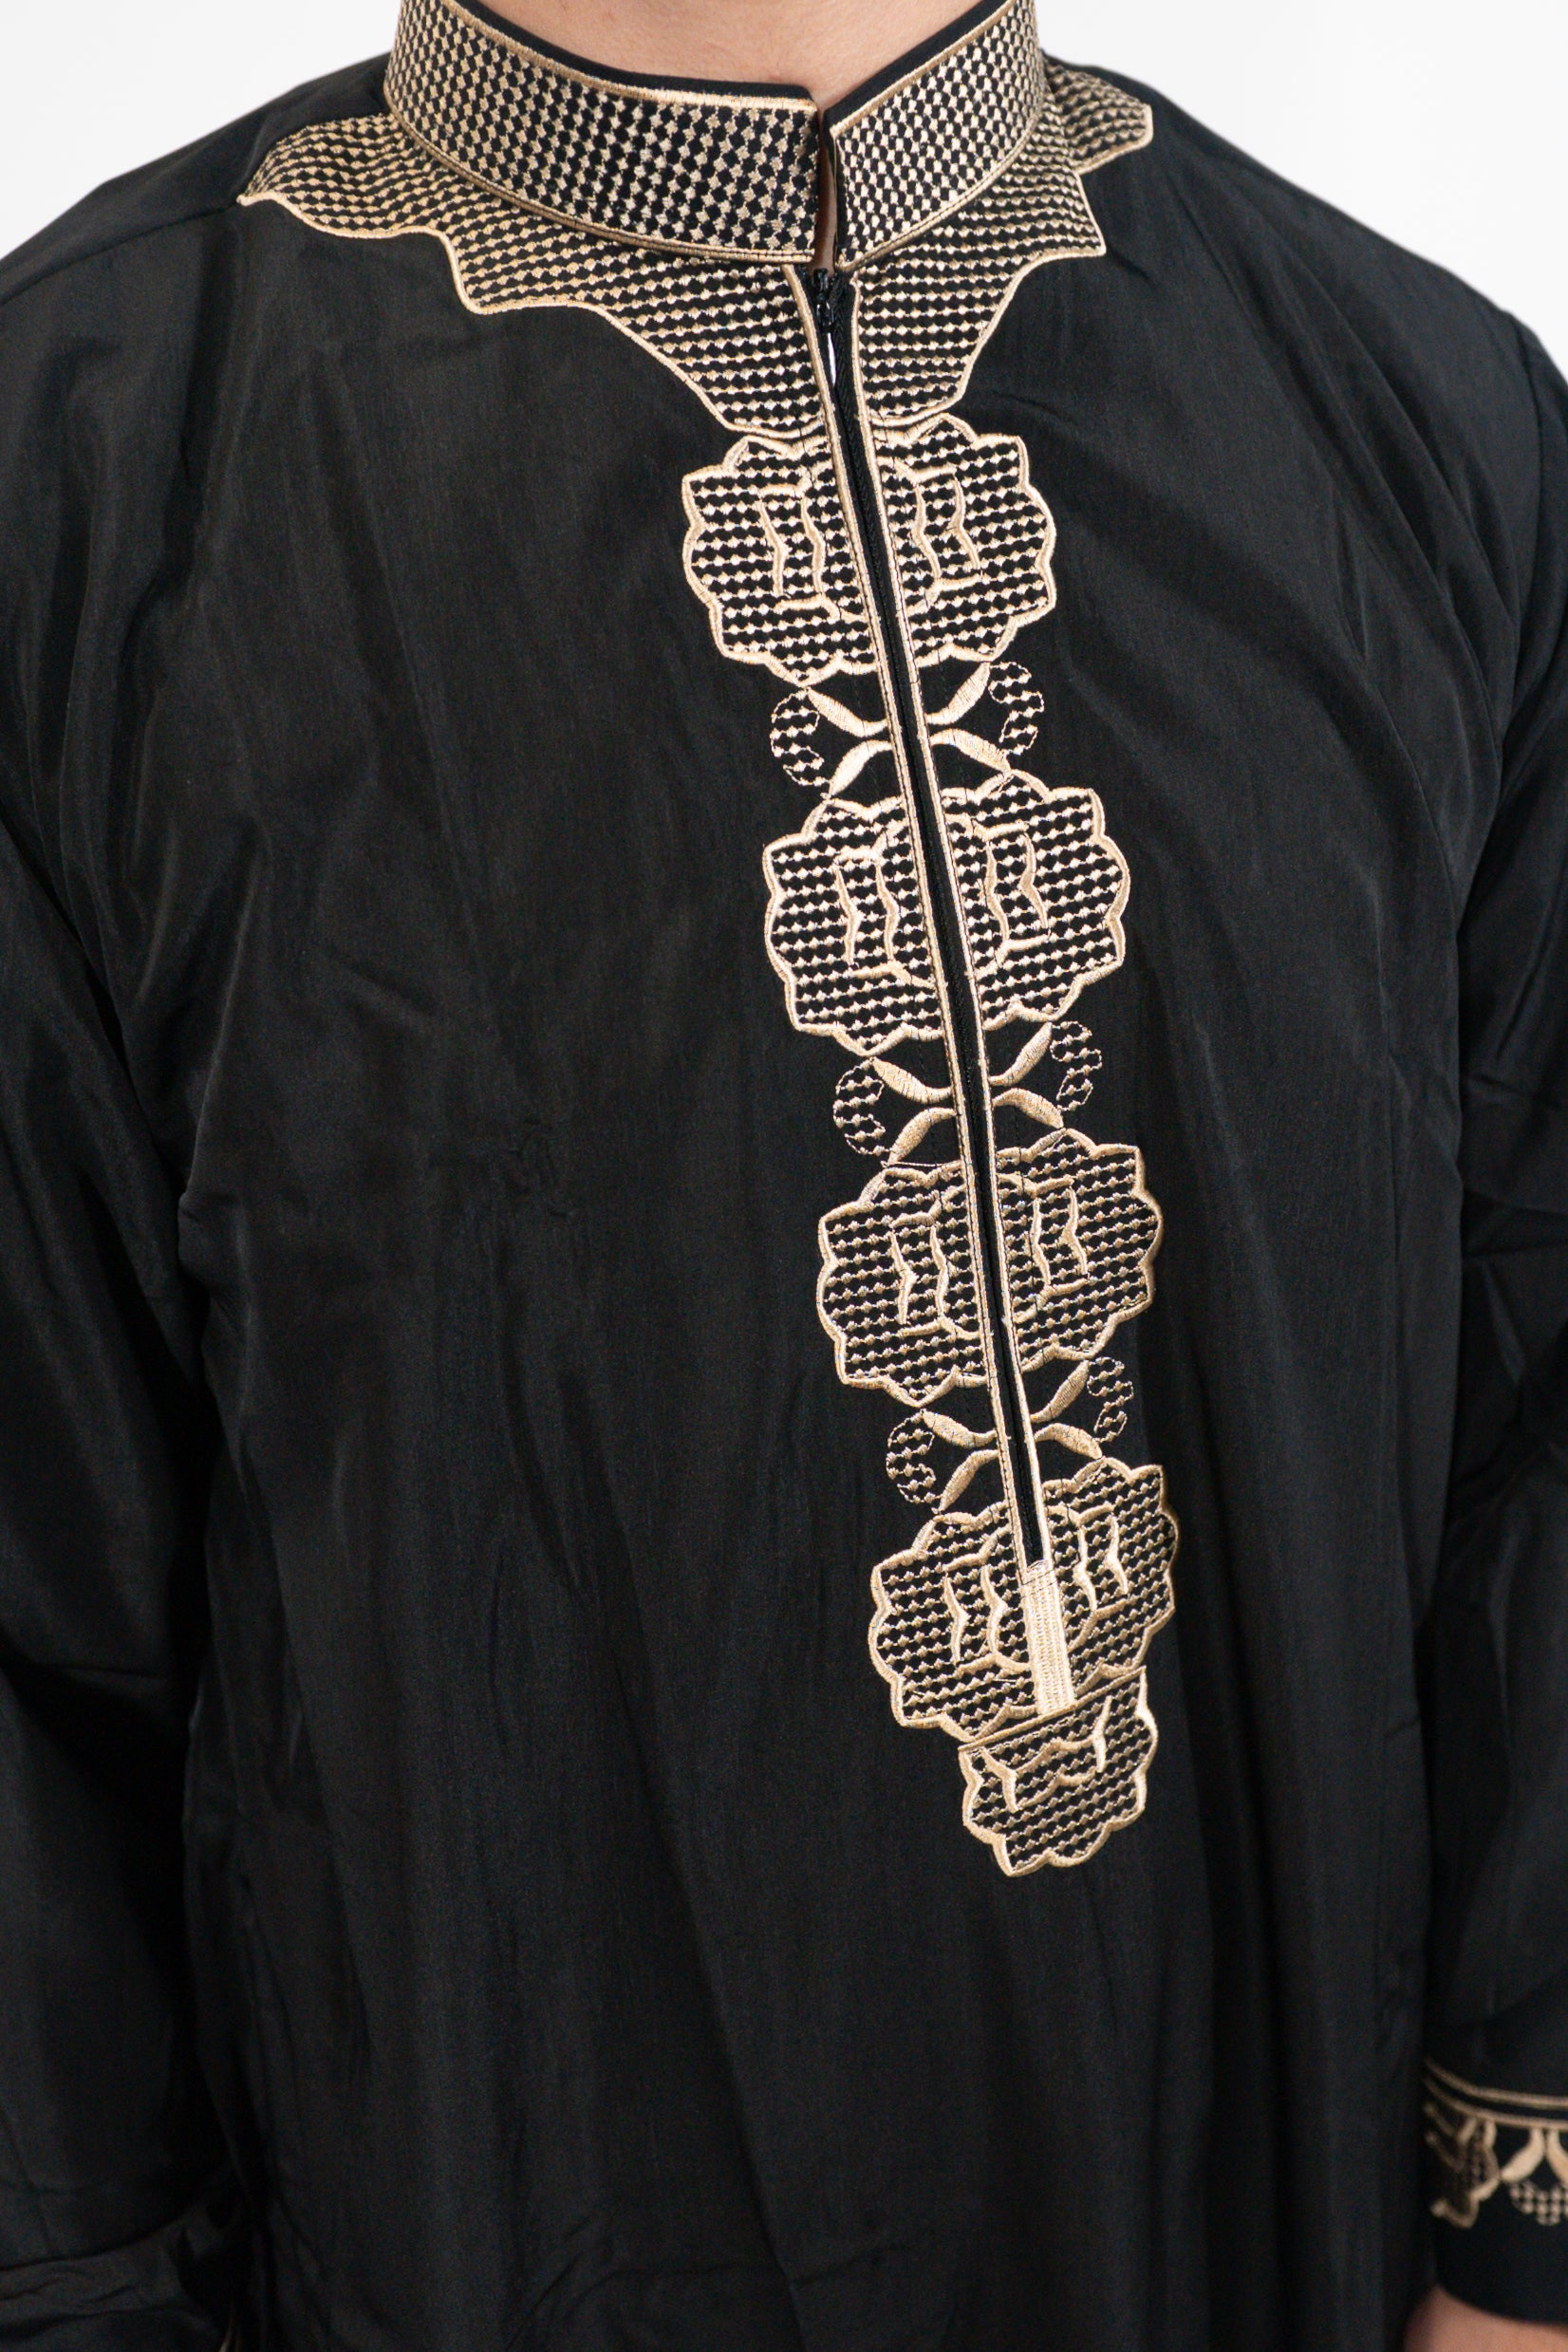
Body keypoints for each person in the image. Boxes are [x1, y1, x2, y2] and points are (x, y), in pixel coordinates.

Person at [0, 0, 1564, 2343]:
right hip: (482, 2238)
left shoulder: (1423, 416)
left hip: (1301, 2232)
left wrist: (1525, 2246)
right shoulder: (85, 464)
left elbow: (1544, 1401)